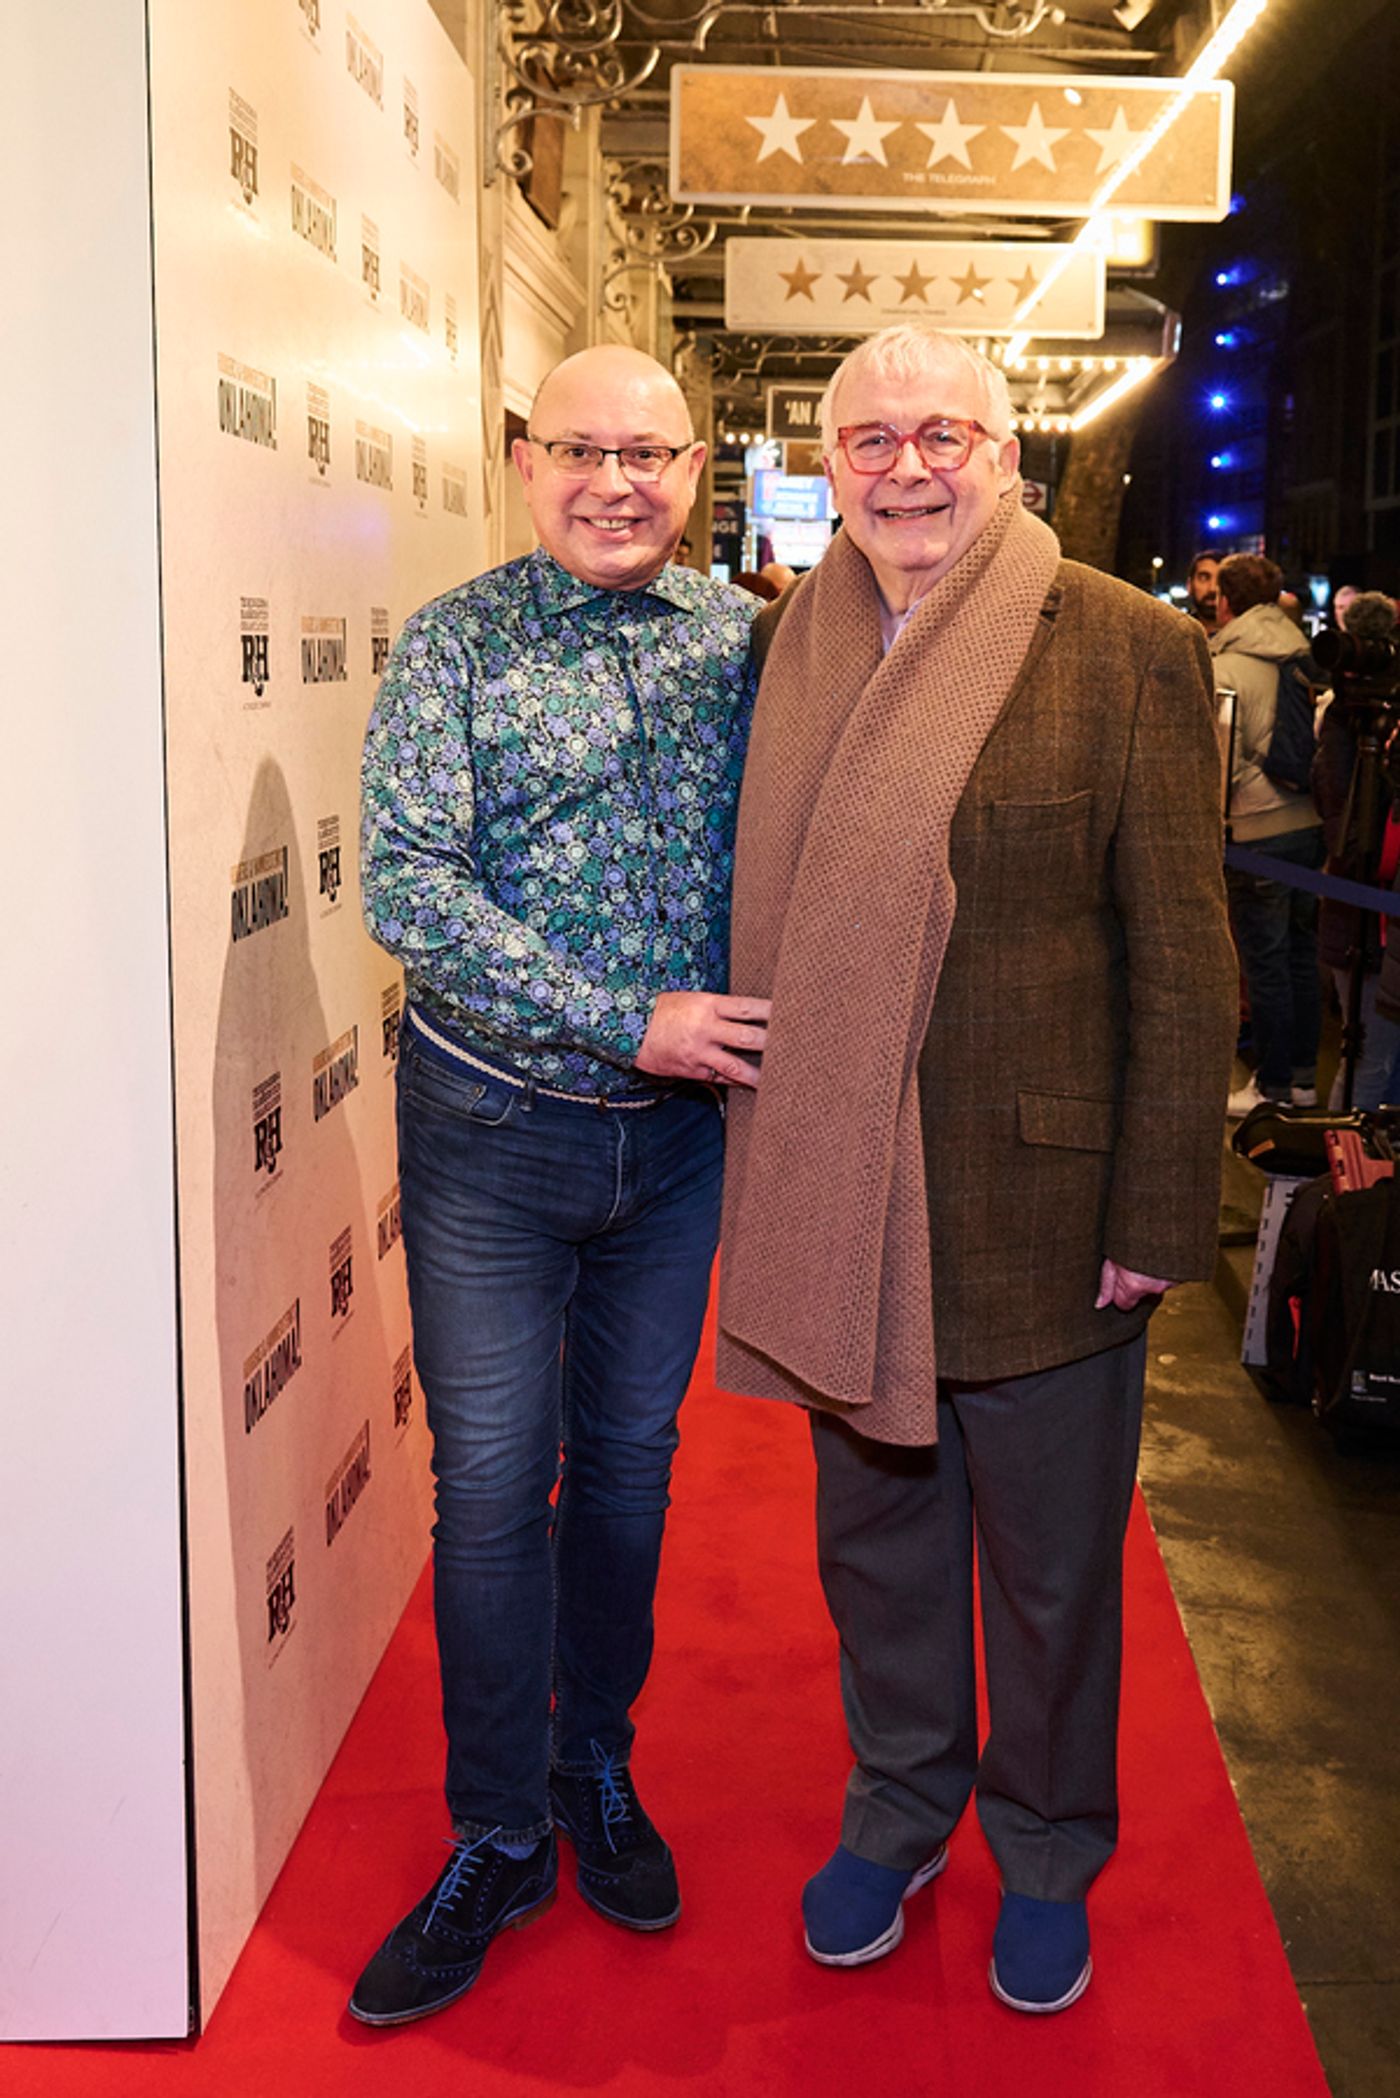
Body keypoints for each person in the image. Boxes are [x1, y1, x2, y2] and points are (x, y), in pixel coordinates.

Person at [717, 325, 1236, 2015]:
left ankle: (1049, 1840)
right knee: (876, 1547)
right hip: (842, 1186)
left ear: (1007, 451)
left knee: (1051, 1567)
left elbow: (1183, 951)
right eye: (869, 437)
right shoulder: (795, 647)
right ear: (832, 461)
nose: (907, 466)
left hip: (1045, 1204)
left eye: (943, 431)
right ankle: (900, 1805)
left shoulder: (1128, 649)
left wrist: (1161, 1211)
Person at [352, 344, 769, 2026]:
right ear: (524, 459)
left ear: (696, 468)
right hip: (489, 1139)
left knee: (630, 1477)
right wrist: (629, 1016)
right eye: (583, 450)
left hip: (676, 1155)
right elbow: (408, 885)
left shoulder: (754, 646)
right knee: (492, 1487)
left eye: (651, 455)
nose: (617, 482)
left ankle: (596, 1765)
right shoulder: (453, 642)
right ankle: (495, 1825)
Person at [1213, 551, 1327, 1116]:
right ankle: (1304, 1079)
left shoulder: (1228, 667)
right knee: (1302, 957)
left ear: (1223, 600)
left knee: (1265, 962)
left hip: (1256, 833)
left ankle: (1272, 1084)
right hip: (1308, 827)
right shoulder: (1305, 656)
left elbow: (1219, 765)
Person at [1313, 591, 1400, 1107]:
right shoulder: (1346, 729)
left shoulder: (1341, 729)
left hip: (1356, 907)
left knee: (1369, 1056)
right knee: (1370, 1056)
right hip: (1362, 911)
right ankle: (1347, 1174)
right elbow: (1346, 833)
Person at [1185, 548, 1224, 636]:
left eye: (1221, 580)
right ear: (1189, 585)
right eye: (1204, 578)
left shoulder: (1248, 637)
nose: (1213, 588)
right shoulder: (1173, 633)